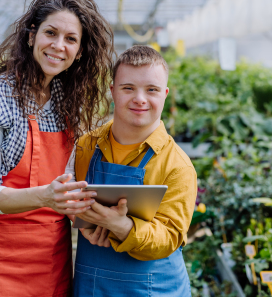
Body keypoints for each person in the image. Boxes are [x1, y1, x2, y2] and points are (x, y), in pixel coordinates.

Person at [0, 0, 114, 297]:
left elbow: (65, 184)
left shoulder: (65, 101)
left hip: (51, 257)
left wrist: (94, 220)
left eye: (71, 39)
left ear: (80, 52)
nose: (58, 46)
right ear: (31, 37)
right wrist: (46, 196)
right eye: (50, 33)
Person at [73, 45, 197, 296]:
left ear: (165, 94)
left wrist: (122, 227)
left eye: (151, 90)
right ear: (112, 92)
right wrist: (83, 221)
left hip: (153, 288)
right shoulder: (85, 146)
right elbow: (64, 195)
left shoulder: (178, 166)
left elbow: (169, 237)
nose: (140, 98)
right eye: (128, 88)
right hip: (92, 285)